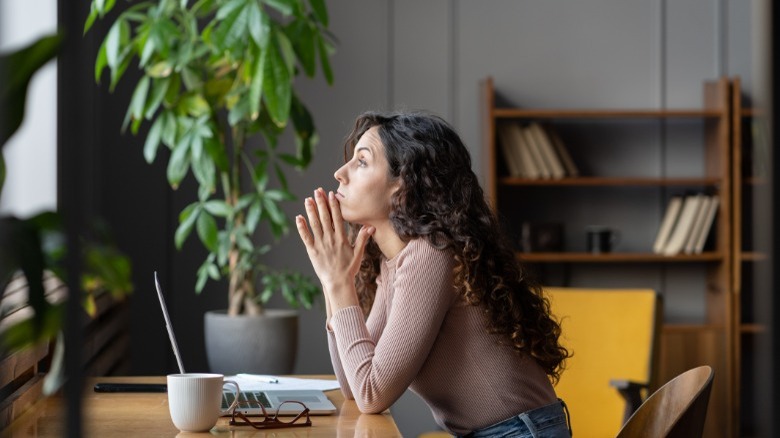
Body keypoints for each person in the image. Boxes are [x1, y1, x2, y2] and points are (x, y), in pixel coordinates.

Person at [295, 111, 572, 437]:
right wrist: (333, 281)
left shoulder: (431, 254)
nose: (340, 173)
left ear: (403, 185)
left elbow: (371, 393)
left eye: (362, 162)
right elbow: (354, 386)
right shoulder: (397, 263)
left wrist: (340, 283)